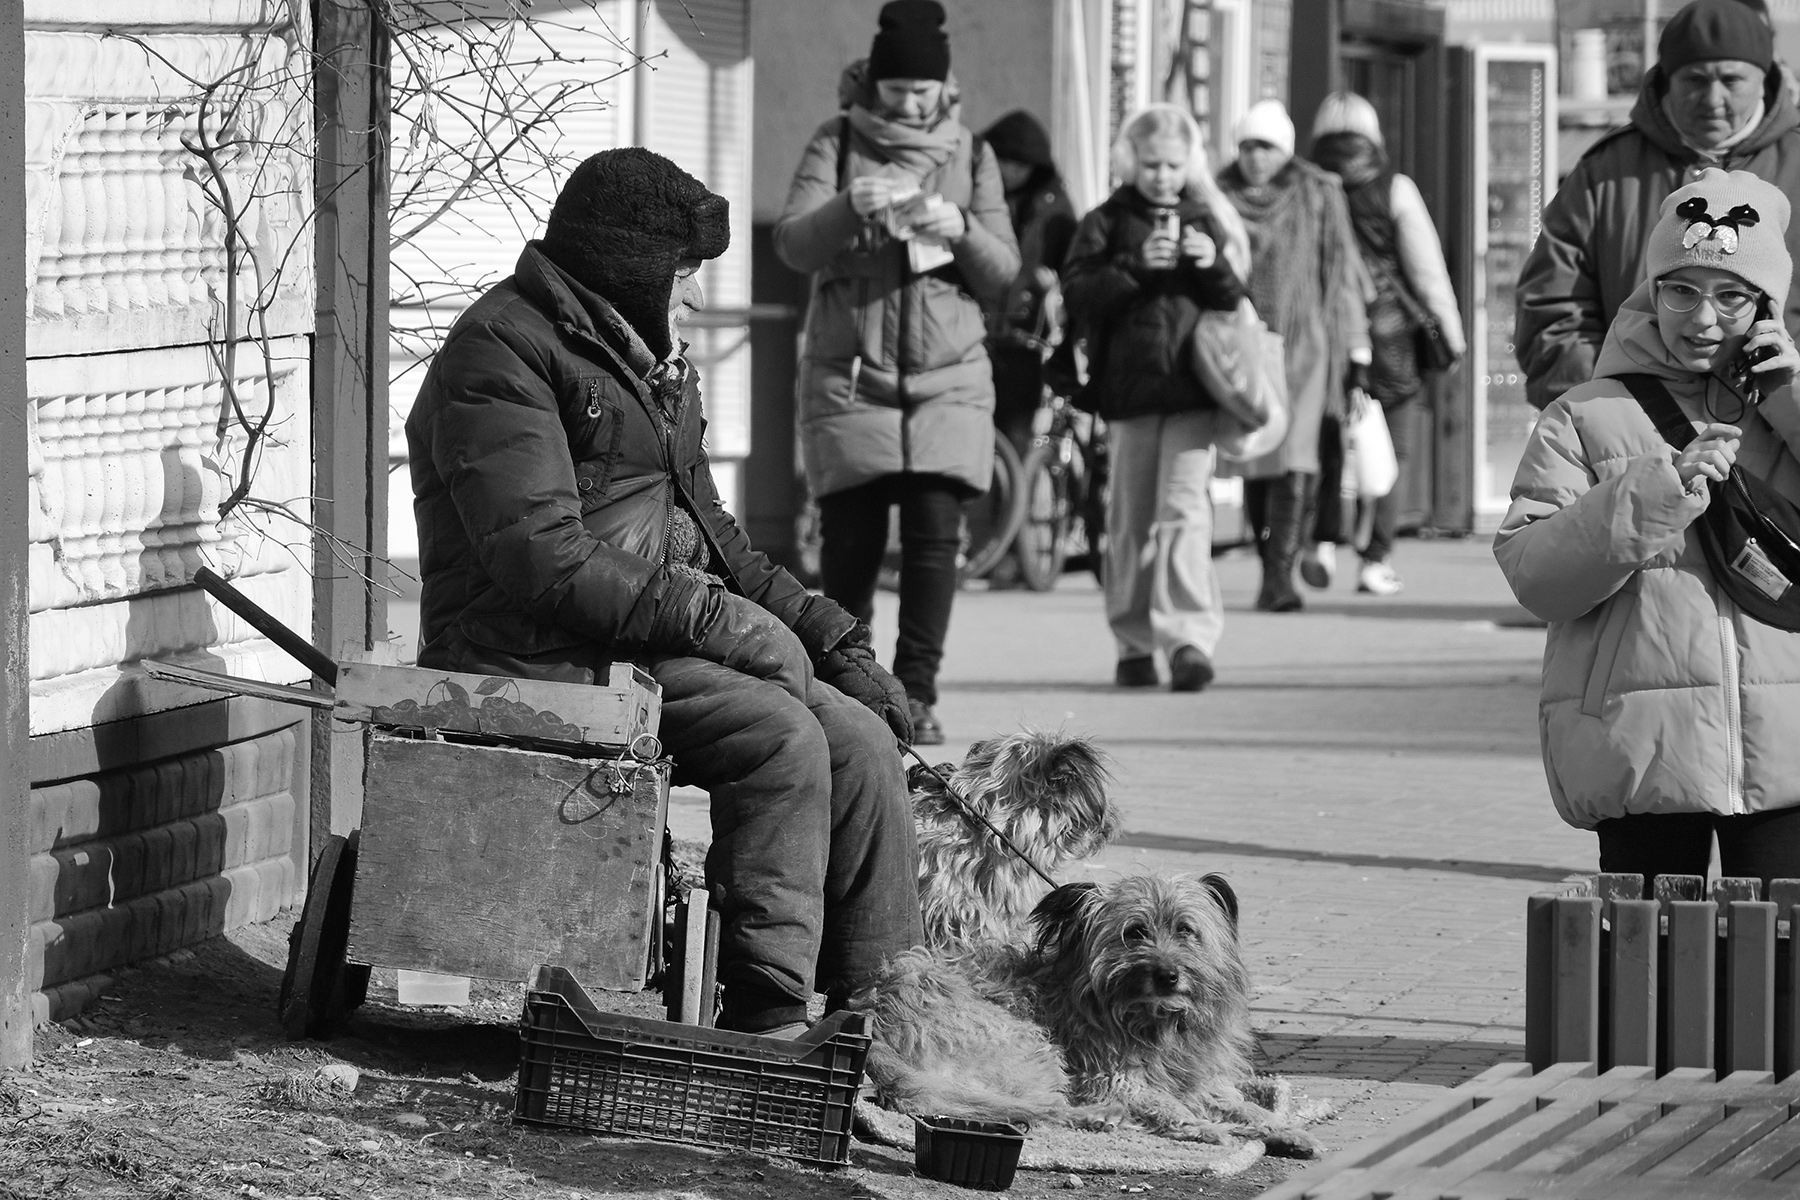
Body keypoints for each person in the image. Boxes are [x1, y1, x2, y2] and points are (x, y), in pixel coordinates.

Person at [406, 147, 924, 1037]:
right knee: (779, 735)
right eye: (685, 275)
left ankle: (891, 1015)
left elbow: (714, 538)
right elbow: (542, 559)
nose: (694, 297)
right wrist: (721, 621)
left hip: (636, 639)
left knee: (863, 740)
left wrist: (830, 639)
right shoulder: (501, 352)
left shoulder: (650, 362)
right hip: (529, 646)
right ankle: (768, 1015)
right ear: (631, 270)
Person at [1495, 169, 1800, 890]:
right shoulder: (1582, 415)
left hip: (1787, 747)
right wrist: (1659, 489)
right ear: (1649, 292)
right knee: (1653, 983)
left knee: (1781, 984)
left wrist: (1788, 404)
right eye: (1681, 291)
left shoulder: (1786, 412)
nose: (1702, 319)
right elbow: (1535, 574)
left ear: (1767, 306)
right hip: (1640, 746)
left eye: (1732, 296)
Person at [773, 0, 1020, 745]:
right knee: (849, 539)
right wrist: (850, 205)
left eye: (921, 89)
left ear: (943, 86)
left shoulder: (971, 152)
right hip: (854, 379)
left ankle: (917, 692)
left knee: (936, 538)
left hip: (948, 375)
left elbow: (1005, 270)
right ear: (873, 82)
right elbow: (793, 244)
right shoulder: (838, 138)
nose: (908, 101)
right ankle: (850, 688)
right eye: (896, 87)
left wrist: (961, 229)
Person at [1515, 0, 1800, 412]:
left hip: (1777, 434)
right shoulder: (1606, 171)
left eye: (1731, 80)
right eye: (1695, 80)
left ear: (1764, 78)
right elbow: (1553, 310)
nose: (1713, 98)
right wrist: (1608, 412)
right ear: (1667, 79)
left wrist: (1785, 399)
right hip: (1632, 435)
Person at [1061, 103, 1248, 691]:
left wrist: (1210, 264)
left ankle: (1189, 639)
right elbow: (1077, 293)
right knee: (1131, 521)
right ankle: (1133, 643)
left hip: (1193, 391)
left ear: (1189, 162)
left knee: (1186, 516)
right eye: (1151, 164)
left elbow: (1231, 298)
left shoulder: (1204, 216)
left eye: (1173, 164)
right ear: (1129, 160)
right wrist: (1135, 267)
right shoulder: (1105, 219)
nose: (1162, 176)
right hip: (1128, 392)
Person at [1217, 100, 1371, 612]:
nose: (1254, 157)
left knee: (1296, 458)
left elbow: (1342, 273)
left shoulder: (1317, 193)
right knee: (1255, 456)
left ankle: (1279, 576)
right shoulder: (1217, 195)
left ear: (1284, 150)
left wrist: (1357, 351)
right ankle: (1269, 567)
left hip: (1306, 345)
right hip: (1245, 342)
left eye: (1265, 147)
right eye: (1246, 146)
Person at [1310, 93, 1465, 596]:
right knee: (1392, 451)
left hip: (1324, 333)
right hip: (1390, 333)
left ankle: (1322, 542)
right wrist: (1451, 335)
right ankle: (1375, 561)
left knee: (1327, 443)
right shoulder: (1395, 188)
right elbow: (1426, 269)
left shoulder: (1308, 184)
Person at [981, 109, 1079, 463]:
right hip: (974, 331)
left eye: (1020, 165)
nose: (1011, 172)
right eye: (1004, 161)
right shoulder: (974, 194)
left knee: (1014, 438)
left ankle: (1011, 516)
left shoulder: (1054, 207)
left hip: (1024, 338)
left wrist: (1049, 286)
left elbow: (1073, 269)